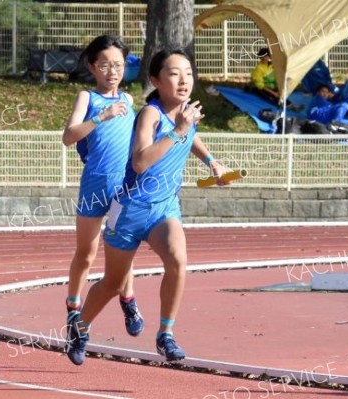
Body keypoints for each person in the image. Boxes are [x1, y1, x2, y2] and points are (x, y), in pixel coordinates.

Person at [65, 48, 228, 366]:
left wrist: (212, 161)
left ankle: (165, 334)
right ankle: (79, 327)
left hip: (163, 209)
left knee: (178, 261)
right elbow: (140, 161)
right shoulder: (150, 114)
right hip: (128, 211)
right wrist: (178, 130)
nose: (183, 80)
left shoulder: (188, 113)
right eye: (174, 73)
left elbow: (191, 136)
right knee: (113, 283)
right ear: (155, 79)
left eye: (189, 73)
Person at [61, 35, 144, 338]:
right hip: (95, 186)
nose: (113, 71)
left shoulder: (130, 101)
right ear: (93, 66)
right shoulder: (87, 97)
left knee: (123, 249)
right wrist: (101, 116)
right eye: (105, 65)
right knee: (87, 253)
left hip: (123, 188)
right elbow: (69, 137)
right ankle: (73, 307)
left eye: (119, 65)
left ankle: (129, 299)